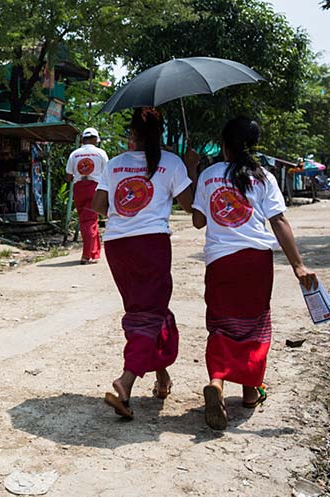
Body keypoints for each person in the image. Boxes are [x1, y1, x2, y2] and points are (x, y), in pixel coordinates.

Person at [191, 117, 317, 430]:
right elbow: (279, 221)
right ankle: (250, 392)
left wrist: (195, 175)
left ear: (223, 144)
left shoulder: (208, 175)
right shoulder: (263, 177)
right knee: (255, 325)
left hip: (220, 262)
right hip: (256, 262)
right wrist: (298, 265)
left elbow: (197, 221)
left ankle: (217, 383)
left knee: (221, 325)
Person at [92, 107, 196, 419]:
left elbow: (98, 207)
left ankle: (162, 378)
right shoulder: (172, 162)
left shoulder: (115, 163)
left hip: (117, 246)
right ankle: (126, 381)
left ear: (132, 134)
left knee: (146, 313)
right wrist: (190, 168)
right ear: (160, 134)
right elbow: (190, 207)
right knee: (150, 315)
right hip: (151, 245)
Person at [66, 127, 110, 264]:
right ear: (96, 139)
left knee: (86, 219)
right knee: (90, 220)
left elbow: (68, 176)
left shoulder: (74, 154)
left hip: (79, 188)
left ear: (83, 139)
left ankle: (94, 252)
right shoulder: (100, 153)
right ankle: (86, 255)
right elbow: (108, 173)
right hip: (96, 188)